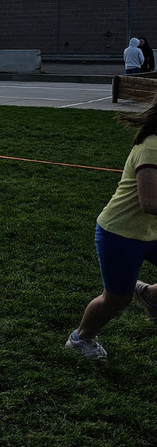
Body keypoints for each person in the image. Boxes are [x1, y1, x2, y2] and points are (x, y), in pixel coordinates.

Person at [66, 99, 157, 359]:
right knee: (117, 298)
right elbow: (150, 201)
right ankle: (80, 339)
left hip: (152, 232)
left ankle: (149, 295)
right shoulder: (151, 146)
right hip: (121, 233)